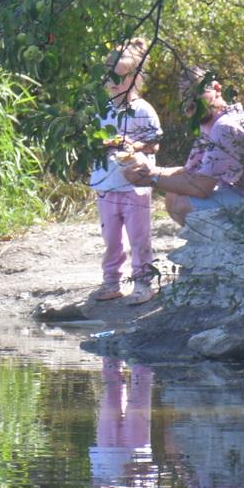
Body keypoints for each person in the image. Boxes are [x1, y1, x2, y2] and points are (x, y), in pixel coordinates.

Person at [121, 66, 244, 226]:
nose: (190, 102)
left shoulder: (225, 127)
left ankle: (223, 245)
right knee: (174, 194)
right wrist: (148, 171)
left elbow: (201, 187)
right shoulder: (211, 124)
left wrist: (151, 178)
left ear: (217, 89)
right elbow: (190, 173)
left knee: (181, 205)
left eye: (197, 93)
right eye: (185, 96)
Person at [89, 39, 160, 303]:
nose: (114, 83)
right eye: (110, 77)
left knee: (139, 237)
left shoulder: (142, 110)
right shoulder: (101, 110)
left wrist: (132, 145)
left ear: (135, 77)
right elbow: (92, 141)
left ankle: (144, 282)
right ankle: (111, 281)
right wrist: (102, 143)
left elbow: (155, 142)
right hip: (106, 184)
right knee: (111, 238)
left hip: (135, 184)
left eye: (120, 78)